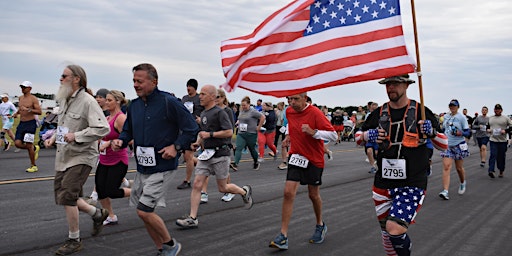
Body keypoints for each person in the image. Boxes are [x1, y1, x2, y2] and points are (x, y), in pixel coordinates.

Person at [111, 63, 197, 255]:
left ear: (154, 81)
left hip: (163, 166)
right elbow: (127, 131)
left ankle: (171, 245)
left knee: (144, 211)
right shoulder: (133, 105)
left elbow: (192, 128)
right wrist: (121, 142)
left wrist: (176, 147)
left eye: (140, 81)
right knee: (144, 213)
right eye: (134, 81)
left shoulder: (169, 102)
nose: (135, 85)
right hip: (142, 167)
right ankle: (161, 249)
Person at [358, 74, 438, 256]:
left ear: (406, 85)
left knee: (394, 228)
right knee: (387, 233)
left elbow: (444, 143)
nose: (390, 87)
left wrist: (431, 132)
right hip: (383, 183)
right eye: (387, 84)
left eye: (395, 83)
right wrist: (366, 136)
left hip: (412, 182)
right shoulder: (379, 113)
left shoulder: (421, 111)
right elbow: (358, 136)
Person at [43, 64, 111, 255]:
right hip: (64, 155)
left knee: (68, 196)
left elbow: (102, 128)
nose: (60, 78)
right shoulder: (64, 100)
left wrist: (78, 136)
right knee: (64, 196)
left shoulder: (88, 101)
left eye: (64, 75)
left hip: (82, 156)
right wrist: (53, 138)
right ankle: (97, 214)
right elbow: (63, 125)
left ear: (76, 79)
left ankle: (74, 240)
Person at [175, 85, 253, 229]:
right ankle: (192, 218)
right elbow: (203, 132)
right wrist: (198, 143)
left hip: (220, 154)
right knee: (197, 183)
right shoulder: (204, 113)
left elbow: (229, 132)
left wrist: (211, 135)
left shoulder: (220, 113)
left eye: (203, 94)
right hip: (206, 154)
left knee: (222, 188)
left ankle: (244, 191)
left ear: (212, 96)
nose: (200, 96)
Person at [269, 92, 337, 250]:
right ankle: (283, 235)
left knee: (313, 195)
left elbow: (333, 135)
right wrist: (288, 136)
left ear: (305, 98)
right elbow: (291, 126)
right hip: (296, 156)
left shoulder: (315, 113)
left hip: (314, 159)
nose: (292, 103)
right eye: (289, 99)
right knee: (288, 192)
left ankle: (320, 224)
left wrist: (314, 133)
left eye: (296, 99)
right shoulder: (289, 111)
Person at [95, 90, 131, 226]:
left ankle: (138, 192)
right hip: (104, 160)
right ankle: (110, 216)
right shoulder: (107, 118)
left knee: (112, 191)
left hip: (118, 160)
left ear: (118, 101)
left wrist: (110, 143)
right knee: (100, 190)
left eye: (109, 100)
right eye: (106, 100)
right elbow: (102, 135)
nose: (106, 102)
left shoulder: (120, 118)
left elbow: (129, 139)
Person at [438, 99, 470, 200]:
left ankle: (462, 182)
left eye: (454, 106)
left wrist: (460, 133)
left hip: (458, 144)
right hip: (447, 145)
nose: (452, 107)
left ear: (458, 107)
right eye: (451, 105)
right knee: (447, 166)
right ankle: (445, 191)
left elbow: (468, 133)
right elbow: (443, 129)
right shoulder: (446, 117)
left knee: (459, 168)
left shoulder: (462, 118)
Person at [178, 78, 203, 190]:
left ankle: (187, 181)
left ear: (195, 88)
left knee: (188, 156)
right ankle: (205, 166)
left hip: (195, 129)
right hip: (184, 129)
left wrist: (201, 119)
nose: (188, 88)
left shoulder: (199, 99)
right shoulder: (184, 98)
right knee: (187, 156)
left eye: (190, 86)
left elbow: (206, 111)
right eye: (187, 86)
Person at [12, 81, 42, 172]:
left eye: (24, 87)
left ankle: (33, 165)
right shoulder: (20, 98)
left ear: (29, 88)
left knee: (28, 144)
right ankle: (34, 148)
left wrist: (28, 109)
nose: (22, 89)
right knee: (17, 143)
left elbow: (39, 111)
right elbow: (20, 108)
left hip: (30, 124)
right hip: (22, 123)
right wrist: (16, 113)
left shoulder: (33, 99)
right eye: (21, 87)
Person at [230, 96, 265, 171]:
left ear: (249, 104)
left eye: (244, 105)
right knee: (238, 148)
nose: (243, 107)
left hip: (251, 134)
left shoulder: (253, 111)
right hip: (241, 133)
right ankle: (235, 164)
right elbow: (241, 119)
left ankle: (256, 162)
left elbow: (262, 117)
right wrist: (237, 123)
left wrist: (259, 127)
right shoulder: (242, 111)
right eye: (242, 105)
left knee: (252, 149)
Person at [487, 104, 512, 178]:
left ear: (501, 110)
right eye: (495, 109)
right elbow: (487, 126)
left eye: (498, 109)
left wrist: (506, 130)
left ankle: (501, 170)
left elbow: (511, 127)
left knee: (501, 157)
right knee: (493, 155)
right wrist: (488, 129)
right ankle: (491, 170)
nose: (497, 110)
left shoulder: (506, 118)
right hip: (493, 140)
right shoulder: (491, 118)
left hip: (502, 141)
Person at [365, 102, 379, 174]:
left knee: (377, 153)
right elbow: (365, 125)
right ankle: (373, 166)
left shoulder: (380, 115)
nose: (373, 109)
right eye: (372, 108)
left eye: (375, 108)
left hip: (378, 137)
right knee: (369, 151)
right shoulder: (368, 116)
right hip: (370, 136)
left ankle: (379, 166)